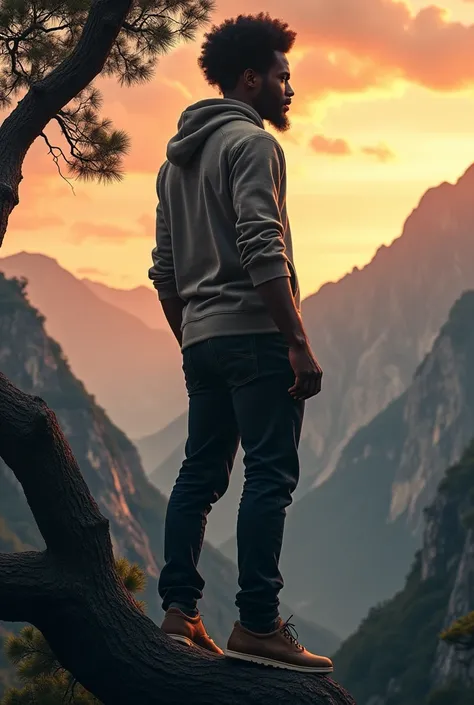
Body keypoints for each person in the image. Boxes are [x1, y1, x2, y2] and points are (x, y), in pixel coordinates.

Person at [148, 12, 333, 673]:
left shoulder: (176, 165)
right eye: (283, 77)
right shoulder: (252, 146)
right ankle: (258, 623)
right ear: (250, 79)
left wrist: (191, 337)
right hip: (257, 337)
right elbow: (262, 246)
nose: (291, 89)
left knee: (198, 475)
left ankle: (179, 611)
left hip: (202, 340)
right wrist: (297, 340)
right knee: (270, 474)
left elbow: (164, 272)